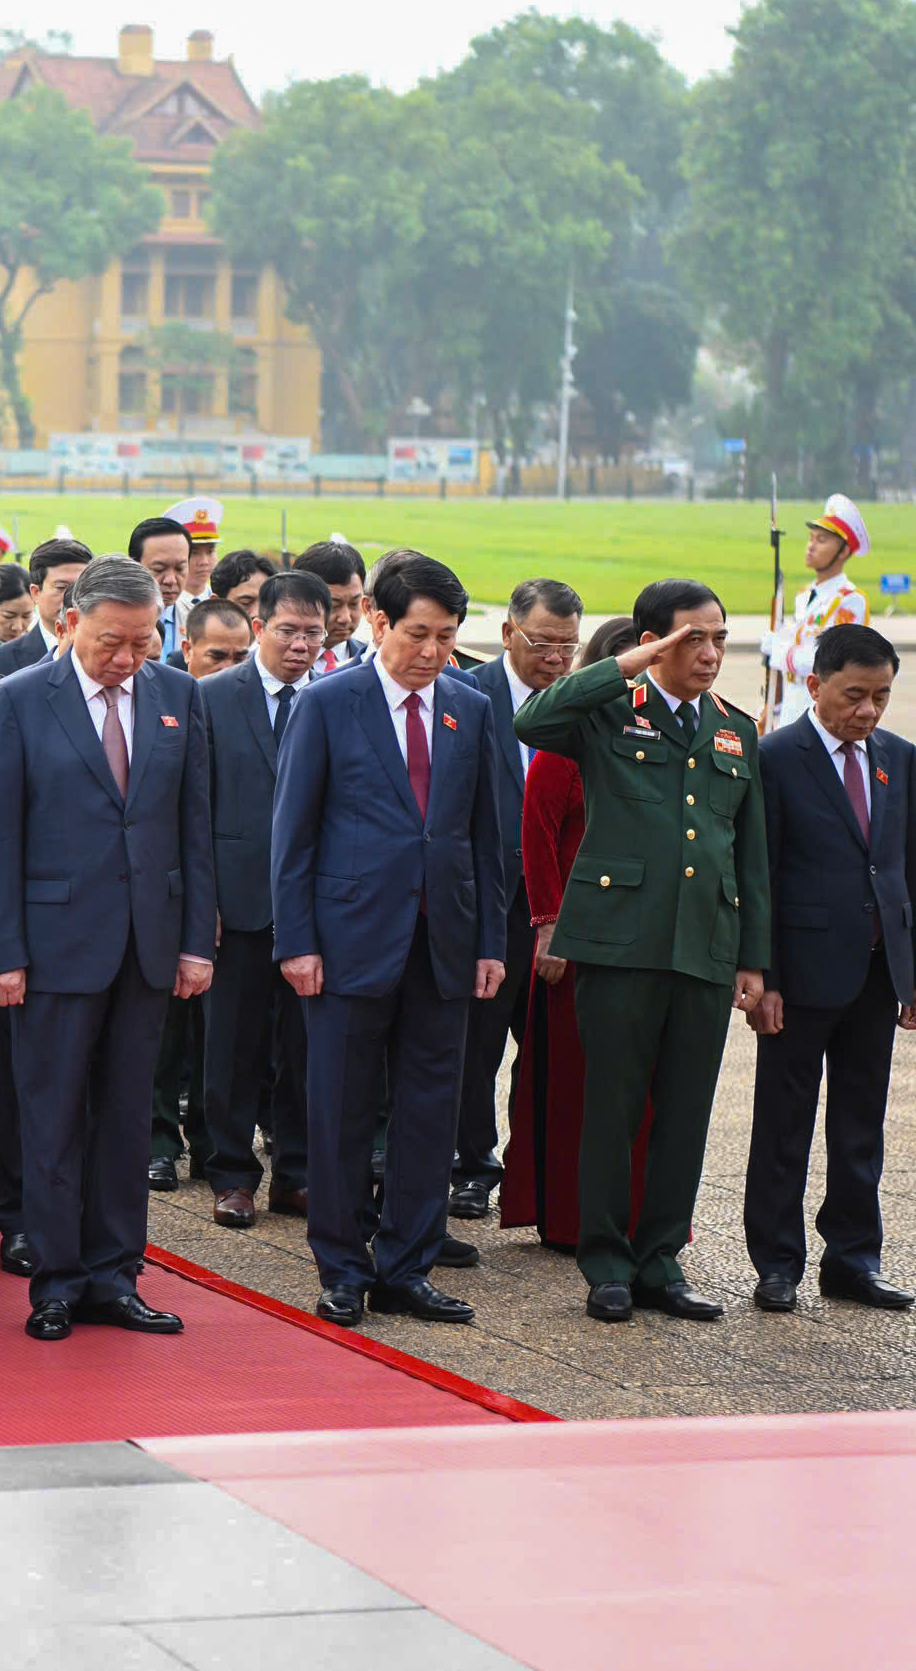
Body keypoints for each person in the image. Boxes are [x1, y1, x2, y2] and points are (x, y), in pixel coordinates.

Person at [0, 553, 213, 1340]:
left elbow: (192, 829)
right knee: (51, 1118)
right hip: (52, 947)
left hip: (147, 943)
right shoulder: (19, 700)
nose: (127, 659)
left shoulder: (177, 694)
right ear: (72, 622)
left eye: (143, 642)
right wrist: (1, 951)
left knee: (124, 1119)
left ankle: (116, 1274)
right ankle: (55, 1278)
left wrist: (194, 941)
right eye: (113, 641)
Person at [514, 579, 769, 1324]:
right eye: (694, 638)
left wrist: (751, 958)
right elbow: (535, 719)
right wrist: (624, 664)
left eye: (721, 638)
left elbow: (746, 855)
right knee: (613, 1110)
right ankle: (607, 1263)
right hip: (620, 944)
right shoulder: (604, 712)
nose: (712, 653)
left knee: (684, 1114)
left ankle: (661, 1260)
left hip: (704, 946)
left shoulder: (734, 729)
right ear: (654, 641)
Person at [271, 553, 503, 1328]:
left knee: (430, 1111)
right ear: (376, 620)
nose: (432, 651)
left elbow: (484, 838)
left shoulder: (469, 707)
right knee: (338, 1109)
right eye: (417, 633)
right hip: (346, 942)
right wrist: (297, 942)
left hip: (442, 943)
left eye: (445, 636)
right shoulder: (330, 703)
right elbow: (293, 835)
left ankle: (409, 1265)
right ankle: (341, 1266)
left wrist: (487, 943)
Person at [744, 623, 916, 1313]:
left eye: (881, 696)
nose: (869, 711)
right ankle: (777, 1262)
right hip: (801, 973)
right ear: (816, 685)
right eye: (855, 695)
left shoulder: (897, 757)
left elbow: (911, 868)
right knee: (783, 1125)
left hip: (879, 972)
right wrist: (763, 975)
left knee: (860, 1125)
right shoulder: (776, 757)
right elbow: (759, 872)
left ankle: (852, 1258)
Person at [501, 617, 650, 1251]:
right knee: (574, 1086)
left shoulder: (657, 738)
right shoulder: (570, 740)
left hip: (642, 940)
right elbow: (537, 839)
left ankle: (637, 1217)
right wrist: (549, 928)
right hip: (576, 943)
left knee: (640, 1089)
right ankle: (566, 1215)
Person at [447, 578, 585, 1222]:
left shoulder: (584, 706)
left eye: (569, 644)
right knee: (475, 1046)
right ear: (507, 635)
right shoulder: (467, 697)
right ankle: (473, 1165)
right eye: (543, 642)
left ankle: (540, 1172)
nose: (557, 657)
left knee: (549, 1048)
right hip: (486, 901)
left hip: (561, 901)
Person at [197, 568, 330, 1228]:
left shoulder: (336, 699)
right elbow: (192, 809)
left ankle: (298, 1173)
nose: (300, 645)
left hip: (315, 909)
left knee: (307, 1049)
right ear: (259, 627)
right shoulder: (213, 698)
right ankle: (230, 1173)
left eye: (313, 631)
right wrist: (203, 903)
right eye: (287, 630)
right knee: (233, 1046)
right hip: (236, 901)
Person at [761, 494, 870, 729]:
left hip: (819, 706)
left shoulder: (850, 601)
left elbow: (831, 661)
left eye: (821, 540)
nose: (811, 545)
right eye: (811, 538)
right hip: (791, 699)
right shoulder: (804, 595)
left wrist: (782, 654)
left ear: (843, 551)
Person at [0, 538, 90, 676]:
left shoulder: (109, 653)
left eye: (81, 587)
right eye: (61, 588)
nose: (72, 597)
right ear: (36, 593)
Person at [291, 540, 368, 675]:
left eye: (354, 604)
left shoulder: (370, 659)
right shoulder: (278, 662)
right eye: (334, 605)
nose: (345, 618)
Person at [127, 514, 196, 660]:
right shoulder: (113, 618)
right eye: (159, 569)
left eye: (180, 569)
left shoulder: (197, 620)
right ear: (133, 565)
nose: (171, 580)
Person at [179, 597, 253, 676]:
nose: (229, 669)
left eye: (239, 659)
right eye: (217, 657)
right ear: (188, 651)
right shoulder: (167, 687)